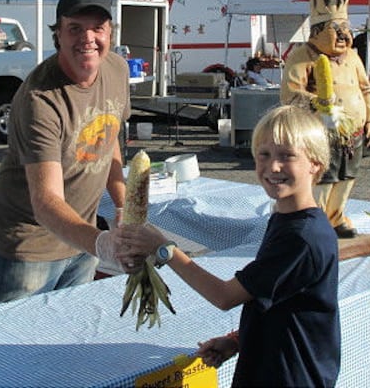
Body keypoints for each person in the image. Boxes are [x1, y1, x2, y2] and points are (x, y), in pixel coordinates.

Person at [118, 105, 339, 387]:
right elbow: (277, 300)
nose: (273, 166)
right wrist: (236, 340)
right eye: (264, 154)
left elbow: (224, 296)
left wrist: (165, 249)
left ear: (315, 164)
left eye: (287, 156)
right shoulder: (288, 218)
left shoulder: (301, 237)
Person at [0, 0, 132, 304]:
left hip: (84, 237)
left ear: (111, 32)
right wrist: (103, 244)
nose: (87, 38)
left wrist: (124, 206)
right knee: (11, 343)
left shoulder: (117, 69)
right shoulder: (39, 98)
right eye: (75, 28)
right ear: (58, 35)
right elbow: (46, 201)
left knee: (64, 336)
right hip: (30, 246)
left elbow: (110, 141)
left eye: (97, 28)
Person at [280, 0, 370, 239]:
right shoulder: (303, 55)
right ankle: (316, 218)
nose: (344, 35)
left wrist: (369, 119)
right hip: (320, 131)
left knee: (348, 177)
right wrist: (321, 104)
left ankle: (336, 217)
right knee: (323, 176)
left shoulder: (354, 57)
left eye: (346, 29)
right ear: (318, 31)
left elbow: (366, 89)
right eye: (337, 30)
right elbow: (290, 93)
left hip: (353, 132)